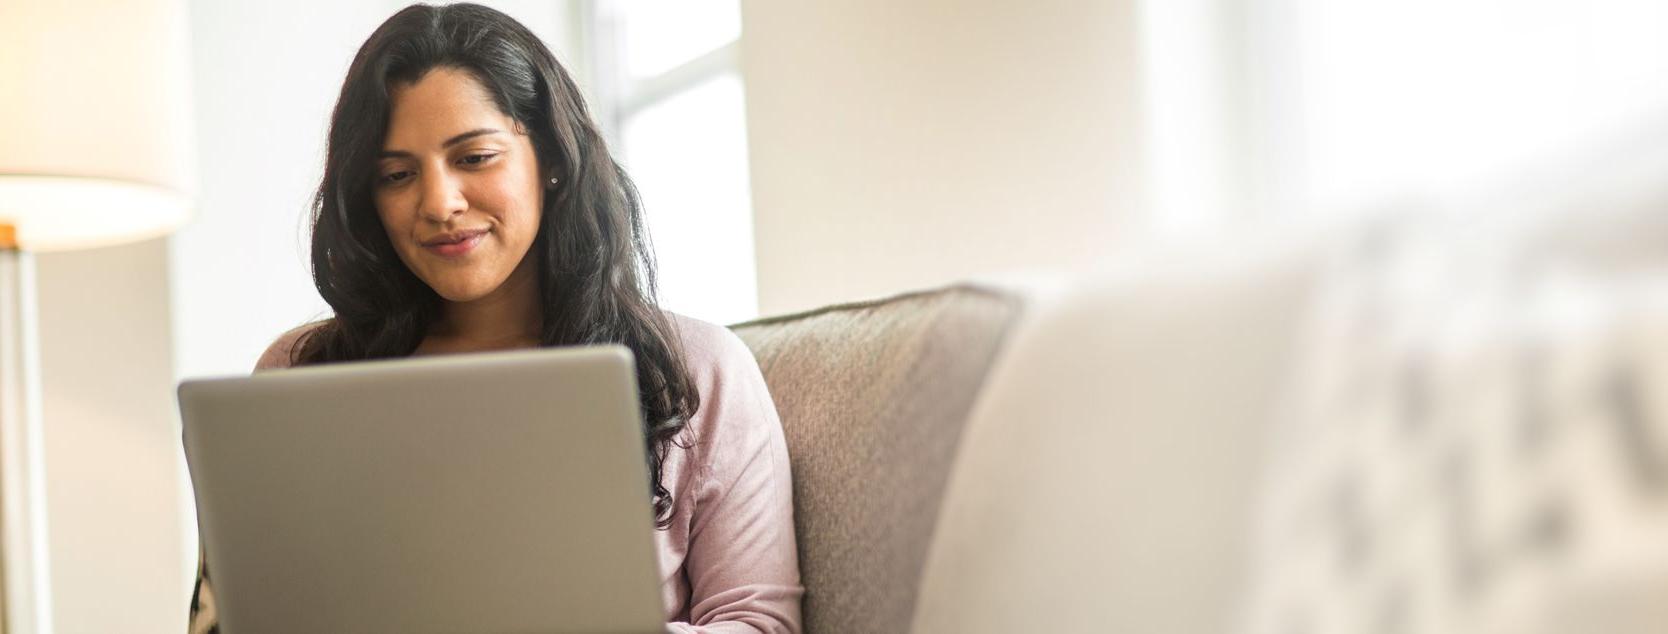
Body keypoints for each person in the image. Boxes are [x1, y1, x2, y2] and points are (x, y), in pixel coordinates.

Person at [187, 4, 803, 633]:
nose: (439, 203)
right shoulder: (299, 374)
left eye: (475, 157)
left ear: (552, 158)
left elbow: (759, 622)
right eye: (397, 175)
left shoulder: (696, 370)